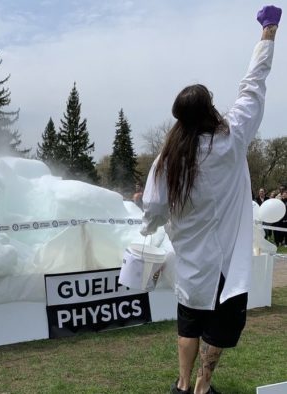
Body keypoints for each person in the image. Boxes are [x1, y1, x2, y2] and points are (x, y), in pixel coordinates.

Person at [140, 6, 281, 394]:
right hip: (228, 264)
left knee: (188, 324)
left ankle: (183, 385)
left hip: (192, 262)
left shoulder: (167, 160)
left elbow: (151, 208)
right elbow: (253, 86)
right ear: (210, 109)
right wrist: (268, 32)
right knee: (219, 328)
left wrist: (152, 228)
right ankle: (203, 386)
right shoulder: (232, 139)